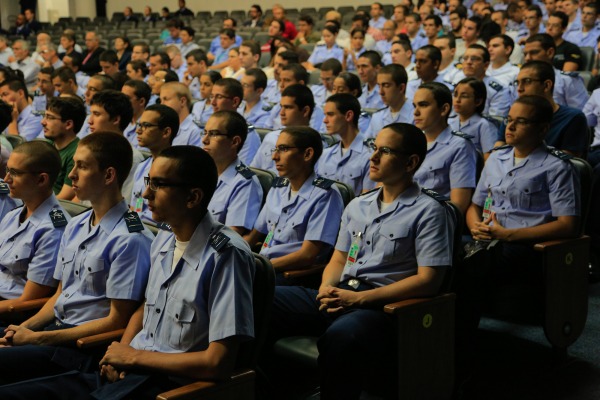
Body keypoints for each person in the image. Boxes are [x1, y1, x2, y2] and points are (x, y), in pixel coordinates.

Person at [0, 144, 255, 399]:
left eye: (158, 184)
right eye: (148, 182)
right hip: (125, 369)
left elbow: (217, 363)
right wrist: (120, 352)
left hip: (166, 384)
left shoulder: (226, 255)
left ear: (192, 197)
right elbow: (146, 307)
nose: (145, 193)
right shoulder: (166, 237)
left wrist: (134, 357)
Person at [266, 122, 455, 399]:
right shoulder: (358, 205)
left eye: (385, 151)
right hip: (341, 293)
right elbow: (339, 257)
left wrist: (360, 300)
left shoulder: (430, 211)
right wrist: (325, 289)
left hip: (381, 307)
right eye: (373, 148)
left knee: (344, 334)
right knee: (261, 298)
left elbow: (429, 280)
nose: (373, 157)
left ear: (411, 162)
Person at [0, 132, 153, 386]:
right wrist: (21, 330)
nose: (71, 175)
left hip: (78, 349)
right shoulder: (77, 225)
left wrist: (37, 338)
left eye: (81, 166)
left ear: (108, 175)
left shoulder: (130, 238)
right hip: (51, 332)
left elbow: (117, 320)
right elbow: (59, 294)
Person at [461, 94, 580, 335]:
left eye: (521, 121)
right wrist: (475, 226)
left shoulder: (557, 167)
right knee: (440, 252)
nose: (510, 126)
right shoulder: (496, 158)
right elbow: (474, 206)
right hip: (488, 239)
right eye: (508, 119)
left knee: (465, 269)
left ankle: (461, 337)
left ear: (543, 128)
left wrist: (510, 235)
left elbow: (568, 226)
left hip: (527, 246)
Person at [245, 126, 344, 282]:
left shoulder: (325, 195)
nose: (274, 157)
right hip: (264, 264)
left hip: (291, 274)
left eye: (283, 149)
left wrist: (258, 267)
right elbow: (253, 236)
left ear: (307, 154)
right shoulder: (279, 187)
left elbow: (307, 256)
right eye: (275, 149)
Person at [0, 141, 68, 308]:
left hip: (11, 311)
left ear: (41, 179)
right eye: (7, 170)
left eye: (14, 173)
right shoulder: (14, 215)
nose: (6, 179)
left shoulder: (54, 229)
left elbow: (28, 301)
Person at [497, 60, 588, 157]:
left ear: (546, 85)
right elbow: (498, 150)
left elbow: (569, 163)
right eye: (517, 82)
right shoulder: (513, 115)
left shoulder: (572, 118)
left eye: (527, 81)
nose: (519, 88)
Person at [413, 82, 478, 215]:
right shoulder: (411, 142)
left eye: (423, 105)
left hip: (432, 221)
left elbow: (457, 206)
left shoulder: (460, 145)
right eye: (415, 106)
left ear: (444, 109)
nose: (416, 112)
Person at [203, 110, 263, 235]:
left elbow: (232, 235)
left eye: (213, 134)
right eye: (205, 132)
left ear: (234, 142)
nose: (204, 140)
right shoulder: (198, 172)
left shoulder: (244, 183)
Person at [316, 93, 376, 195]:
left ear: (348, 116)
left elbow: (367, 199)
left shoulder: (371, 155)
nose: (325, 120)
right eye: (325, 115)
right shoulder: (325, 154)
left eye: (330, 114)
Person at [130, 104, 178, 223]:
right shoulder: (142, 167)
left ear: (166, 132)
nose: (138, 130)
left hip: (162, 235)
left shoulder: (176, 171)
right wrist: (129, 234)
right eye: (139, 124)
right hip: (138, 231)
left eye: (146, 126)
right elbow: (133, 209)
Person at [523, 34, 588, 110]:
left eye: (534, 52)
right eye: (525, 54)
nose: (527, 58)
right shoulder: (520, 81)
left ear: (550, 52)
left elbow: (580, 115)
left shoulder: (567, 80)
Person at [42, 97, 86, 200]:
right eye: (45, 116)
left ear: (68, 124)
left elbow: (65, 197)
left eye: (50, 118)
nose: (43, 122)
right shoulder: (47, 145)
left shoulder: (77, 152)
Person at [210, 78, 261, 164]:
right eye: (212, 96)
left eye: (219, 97)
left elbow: (242, 167)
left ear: (235, 101)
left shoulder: (248, 134)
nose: (213, 102)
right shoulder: (209, 126)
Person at [450, 77, 498, 158]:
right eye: (455, 95)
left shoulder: (484, 125)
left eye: (464, 96)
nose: (457, 100)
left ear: (478, 101)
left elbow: (488, 159)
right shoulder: (448, 122)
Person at [366, 64, 414, 137]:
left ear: (401, 88)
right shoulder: (377, 117)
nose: (380, 92)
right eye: (379, 86)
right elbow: (367, 144)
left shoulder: (416, 115)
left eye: (386, 85)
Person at [160, 82, 202, 146]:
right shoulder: (164, 127)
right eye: (161, 100)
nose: (161, 104)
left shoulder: (195, 130)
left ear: (182, 101)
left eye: (166, 99)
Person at [121, 79, 152, 148]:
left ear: (141, 101)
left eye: (126, 98)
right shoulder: (121, 121)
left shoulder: (149, 127)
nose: (121, 101)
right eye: (121, 97)